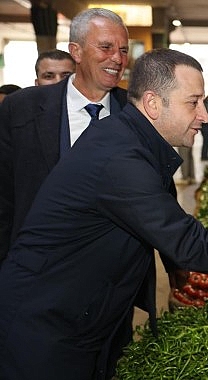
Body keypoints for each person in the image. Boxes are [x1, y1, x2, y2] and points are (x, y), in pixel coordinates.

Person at [0, 48, 208, 380]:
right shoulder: (119, 158)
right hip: (43, 325)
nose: (204, 116)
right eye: (193, 103)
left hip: (74, 317)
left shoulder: (132, 143)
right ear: (152, 104)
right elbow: (190, 244)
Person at [0, 8, 129, 261]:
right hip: (36, 265)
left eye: (123, 50)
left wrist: (175, 261)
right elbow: (4, 194)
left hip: (112, 271)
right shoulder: (21, 108)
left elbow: (159, 190)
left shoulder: (136, 111)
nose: (117, 58)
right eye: (106, 47)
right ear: (76, 51)